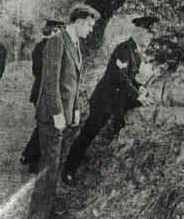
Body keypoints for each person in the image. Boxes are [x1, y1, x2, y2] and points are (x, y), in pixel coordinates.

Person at [62, 16, 159, 186]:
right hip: (104, 101)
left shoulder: (135, 52)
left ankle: (95, 166)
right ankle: (68, 170)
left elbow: (130, 77)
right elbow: (119, 76)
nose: (150, 39)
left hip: (116, 102)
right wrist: (137, 94)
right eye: (148, 35)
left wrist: (141, 88)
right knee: (87, 135)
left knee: (115, 130)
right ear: (139, 31)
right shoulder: (123, 49)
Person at [27, 4, 100, 219]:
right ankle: (37, 214)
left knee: (55, 164)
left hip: (66, 116)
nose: (91, 29)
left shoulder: (75, 43)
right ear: (78, 22)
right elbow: (50, 83)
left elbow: (73, 83)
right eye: (89, 25)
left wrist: (75, 109)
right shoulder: (56, 42)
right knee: (49, 167)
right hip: (52, 117)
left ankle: (47, 208)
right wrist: (58, 114)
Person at [20, 19, 65, 174]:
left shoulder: (40, 46)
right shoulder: (48, 47)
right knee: (43, 127)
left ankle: (30, 157)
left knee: (42, 126)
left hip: (41, 91)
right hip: (43, 92)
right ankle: (32, 159)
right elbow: (41, 72)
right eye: (59, 29)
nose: (60, 32)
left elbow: (36, 71)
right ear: (53, 31)